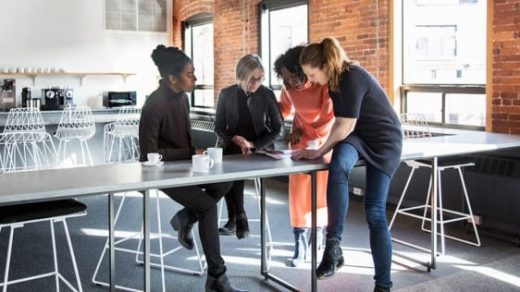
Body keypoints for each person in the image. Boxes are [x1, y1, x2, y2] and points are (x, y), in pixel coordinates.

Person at [293, 38, 402, 292]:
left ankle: (383, 286)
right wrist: (321, 151)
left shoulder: (353, 76)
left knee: (375, 213)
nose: (310, 80)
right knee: (338, 165)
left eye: (312, 73)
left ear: (325, 65)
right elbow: (344, 126)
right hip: (359, 136)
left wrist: (318, 151)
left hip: (385, 141)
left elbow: (345, 126)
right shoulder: (333, 83)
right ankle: (333, 247)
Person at [139, 45, 247, 292]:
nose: (195, 79)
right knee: (207, 207)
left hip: (184, 167)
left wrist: (195, 152)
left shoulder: (183, 99)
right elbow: (147, 155)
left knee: (226, 181)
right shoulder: (153, 105)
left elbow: (183, 140)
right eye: (190, 74)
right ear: (172, 78)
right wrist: (189, 153)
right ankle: (217, 278)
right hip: (159, 172)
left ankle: (186, 217)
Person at [274, 46, 334, 267]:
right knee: (298, 193)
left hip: (324, 141)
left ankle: (318, 239)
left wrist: (306, 132)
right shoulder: (288, 86)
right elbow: (284, 108)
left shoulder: (323, 83)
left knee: (321, 193)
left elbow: (328, 118)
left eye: (292, 75)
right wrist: (267, 114)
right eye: (285, 78)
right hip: (299, 141)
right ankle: (300, 242)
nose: (290, 82)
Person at [214, 54, 283, 239]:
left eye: (260, 78)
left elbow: (278, 129)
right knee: (229, 161)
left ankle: (236, 218)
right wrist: (234, 138)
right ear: (240, 76)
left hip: (260, 149)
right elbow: (218, 128)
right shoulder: (226, 94)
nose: (256, 82)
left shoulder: (266, 94)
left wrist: (253, 144)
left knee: (231, 167)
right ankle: (238, 216)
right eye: (252, 78)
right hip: (233, 148)